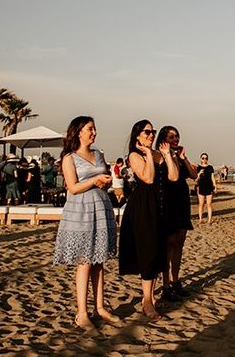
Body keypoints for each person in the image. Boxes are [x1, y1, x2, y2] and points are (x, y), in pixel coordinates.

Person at [52, 116, 118, 331]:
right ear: (79, 131)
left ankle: (100, 307)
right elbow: (72, 187)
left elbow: (105, 177)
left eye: (95, 129)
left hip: (101, 208)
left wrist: (106, 182)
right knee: (85, 262)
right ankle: (82, 313)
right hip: (80, 211)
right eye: (90, 129)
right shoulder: (69, 158)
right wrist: (94, 181)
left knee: (99, 262)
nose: (94, 132)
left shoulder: (99, 154)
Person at [119, 120, 178, 320]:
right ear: (137, 135)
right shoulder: (135, 155)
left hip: (161, 207)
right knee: (148, 252)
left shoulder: (159, 154)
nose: (151, 134)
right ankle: (146, 301)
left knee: (157, 252)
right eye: (147, 132)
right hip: (143, 207)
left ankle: (150, 297)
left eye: (153, 131)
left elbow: (174, 177)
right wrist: (147, 155)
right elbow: (148, 178)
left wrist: (167, 155)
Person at [156, 126, 197, 302]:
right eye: (171, 136)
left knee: (179, 243)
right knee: (168, 244)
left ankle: (176, 280)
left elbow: (194, 175)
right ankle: (165, 284)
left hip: (182, 202)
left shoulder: (179, 157)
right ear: (163, 139)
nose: (175, 139)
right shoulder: (160, 156)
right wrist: (168, 155)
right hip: (168, 202)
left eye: (177, 136)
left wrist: (184, 158)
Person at [196, 153, 217, 224]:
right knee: (201, 204)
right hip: (201, 187)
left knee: (209, 204)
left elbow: (212, 178)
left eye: (206, 158)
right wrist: (199, 174)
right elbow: (195, 180)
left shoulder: (210, 167)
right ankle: (200, 219)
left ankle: (209, 220)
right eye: (203, 158)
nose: (204, 159)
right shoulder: (198, 168)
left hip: (209, 187)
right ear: (200, 159)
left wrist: (215, 187)